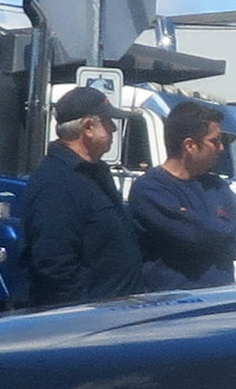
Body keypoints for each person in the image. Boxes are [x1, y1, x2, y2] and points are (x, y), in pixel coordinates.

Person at [18, 86, 143, 307]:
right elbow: (53, 262)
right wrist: (81, 313)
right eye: (107, 121)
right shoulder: (56, 182)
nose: (114, 128)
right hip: (88, 321)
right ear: (87, 127)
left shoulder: (96, 173)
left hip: (116, 313)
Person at [128, 100, 236, 290]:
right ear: (190, 145)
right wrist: (225, 229)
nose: (221, 148)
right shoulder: (150, 189)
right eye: (215, 141)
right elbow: (193, 236)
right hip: (172, 305)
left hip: (219, 301)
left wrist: (201, 226)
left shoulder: (217, 186)